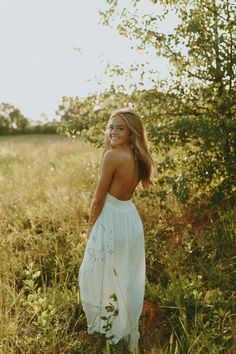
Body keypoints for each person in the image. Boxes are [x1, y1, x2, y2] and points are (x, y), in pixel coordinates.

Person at [78, 107, 154, 353]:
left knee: (98, 273)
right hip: (130, 218)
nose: (112, 131)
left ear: (131, 131)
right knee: (128, 276)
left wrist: (91, 228)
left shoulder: (112, 156)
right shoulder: (139, 155)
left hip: (111, 218)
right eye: (110, 126)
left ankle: (111, 330)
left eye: (119, 127)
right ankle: (129, 333)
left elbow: (98, 199)